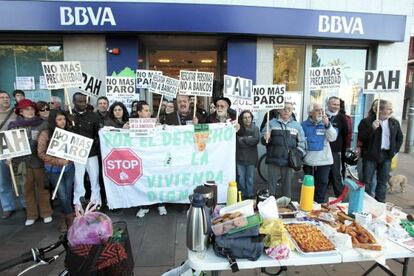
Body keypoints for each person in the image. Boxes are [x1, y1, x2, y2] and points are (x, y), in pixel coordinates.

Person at [8, 99, 52, 226]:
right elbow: (9, 144)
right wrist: (9, 156)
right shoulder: (14, 126)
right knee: (26, 190)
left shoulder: (43, 124)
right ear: (21, 111)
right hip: (22, 163)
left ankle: (46, 213)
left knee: (43, 189)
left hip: (39, 162)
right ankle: (31, 215)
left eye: (32, 109)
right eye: (27, 109)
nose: (30, 111)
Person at [358, 99, 403, 202]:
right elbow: (361, 137)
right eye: (388, 109)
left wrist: (394, 151)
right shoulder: (367, 121)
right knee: (367, 181)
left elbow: (399, 138)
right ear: (379, 110)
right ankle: (367, 203)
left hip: (386, 155)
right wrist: (372, 129)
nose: (391, 111)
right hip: (370, 155)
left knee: (382, 182)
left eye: (391, 109)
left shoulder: (394, 122)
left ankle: (380, 203)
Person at [38, 110, 75, 232]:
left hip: (69, 168)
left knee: (68, 194)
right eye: (59, 119)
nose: (63, 122)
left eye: (64, 119)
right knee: (63, 195)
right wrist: (59, 162)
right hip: (53, 170)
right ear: (53, 120)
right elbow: (41, 153)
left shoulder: (69, 132)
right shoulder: (46, 134)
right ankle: (69, 219)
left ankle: (66, 217)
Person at [262, 103, 306, 198]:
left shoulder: (297, 126)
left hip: (289, 160)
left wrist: (297, 155)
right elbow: (263, 141)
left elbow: (302, 142)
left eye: (289, 109)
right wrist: (266, 138)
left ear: (292, 111)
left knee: (287, 186)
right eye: (284, 108)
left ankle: (287, 205)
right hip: (273, 158)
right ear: (279, 110)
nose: (286, 111)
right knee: (271, 185)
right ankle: (270, 203)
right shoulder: (271, 123)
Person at [69, 92, 102, 207]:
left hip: (92, 153)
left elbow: (99, 133)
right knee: (78, 180)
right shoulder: (68, 115)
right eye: (80, 101)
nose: (83, 104)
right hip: (76, 153)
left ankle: (96, 203)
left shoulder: (94, 116)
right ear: (73, 102)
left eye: (84, 101)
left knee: (94, 178)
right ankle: (78, 204)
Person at [136, 100, 167, 217]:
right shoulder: (133, 124)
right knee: (144, 181)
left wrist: (160, 129)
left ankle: (161, 204)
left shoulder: (155, 123)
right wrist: (125, 129)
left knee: (157, 180)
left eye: (149, 110)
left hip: (155, 158)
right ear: (139, 112)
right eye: (146, 110)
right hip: (142, 158)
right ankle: (144, 206)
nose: (149, 113)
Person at [301, 103, 337, 203]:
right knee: (308, 184)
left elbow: (333, 138)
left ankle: (319, 204)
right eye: (317, 110)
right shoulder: (304, 125)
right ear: (310, 112)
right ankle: (308, 203)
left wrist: (328, 125)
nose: (320, 112)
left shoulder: (326, 123)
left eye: (321, 109)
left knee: (322, 183)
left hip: (324, 160)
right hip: (309, 160)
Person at [0, 90, 25, 219]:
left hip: (16, 150)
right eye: (2, 97)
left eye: (7, 97)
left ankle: (25, 203)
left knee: (20, 179)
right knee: (3, 182)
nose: (5, 99)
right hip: (1, 152)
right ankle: (7, 207)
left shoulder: (16, 113)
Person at [325, 96, 348, 198]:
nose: (336, 106)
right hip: (323, 149)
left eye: (338, 105)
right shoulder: (323, 115)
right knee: (323, 173)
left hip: (335, 150)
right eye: (334, 104)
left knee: (336, 173)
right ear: (328, 104)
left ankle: (339, 196)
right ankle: (320, 196)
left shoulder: (342, 118)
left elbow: (345, 133)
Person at [236, 110, 259, 199]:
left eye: (249, 117)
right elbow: (239, 142)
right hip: (240, 158)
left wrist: (244, 139)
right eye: (245, 117)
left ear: (252, 118)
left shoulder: (255, 128)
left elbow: (255, 141)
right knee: (241, 179)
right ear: (242, 119)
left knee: (250, 179)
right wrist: (249, 139)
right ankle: (242, 195)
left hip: (251, 158)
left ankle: (249, 195)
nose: (247, 119)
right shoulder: (238, 129)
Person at [339, 99, 353, 178]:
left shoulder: (346, 118)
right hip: (344, 144)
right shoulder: (347, 118)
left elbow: (348, 133)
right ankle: (342, 179)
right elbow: (349, 133)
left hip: (341, 144)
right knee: (342, 163)